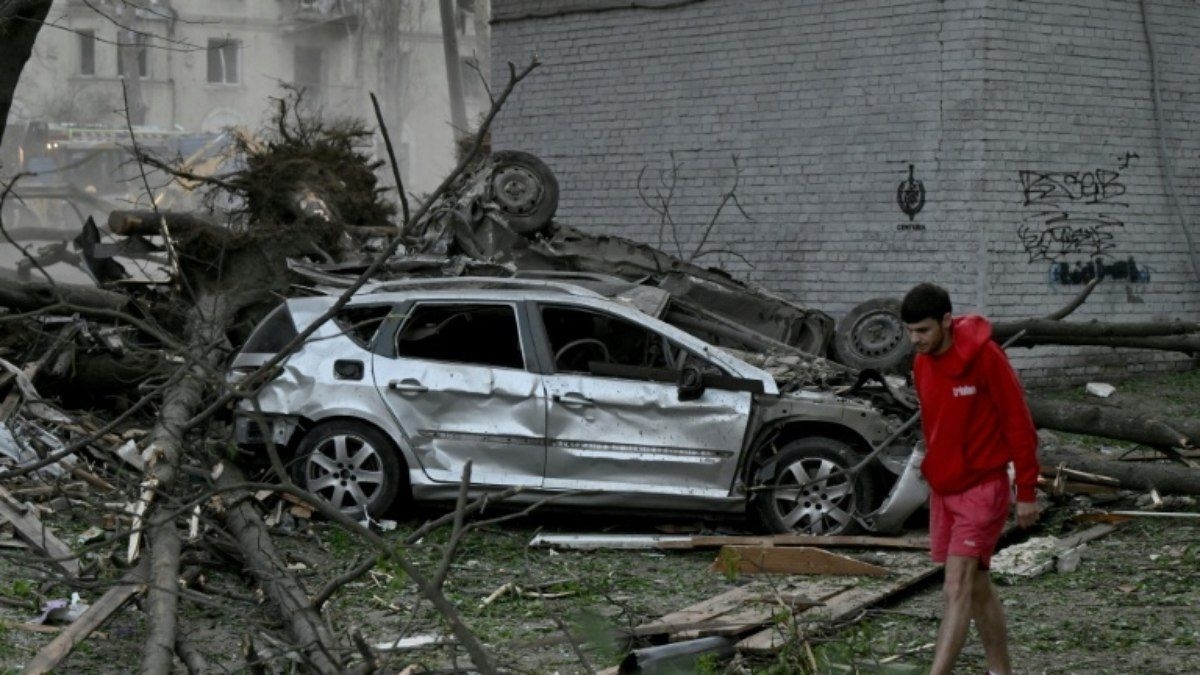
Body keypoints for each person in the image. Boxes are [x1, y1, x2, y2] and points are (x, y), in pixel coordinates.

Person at [900, 283, 1040, 675]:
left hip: (983, 487)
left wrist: (1027, 490)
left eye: (923, 330)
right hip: (945, 490)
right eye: (910, 331)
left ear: (946, 321)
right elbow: (936, 427)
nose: (915, 340)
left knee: (956, 585)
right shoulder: (921, 363)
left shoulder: (985, 356)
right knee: (977, 587)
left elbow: (1019, 424)